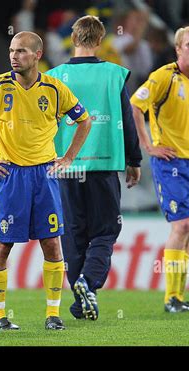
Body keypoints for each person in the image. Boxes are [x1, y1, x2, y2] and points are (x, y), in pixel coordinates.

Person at [0, 31, 91, 331]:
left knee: (52, 244)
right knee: (2, 246)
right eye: (12, 50)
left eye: (22, 51)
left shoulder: (55, 89)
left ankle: (53, 315)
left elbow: (85, 119)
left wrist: (68, 158)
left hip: (44, 174)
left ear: (38, 55)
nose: (14, 56)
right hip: (10, 175)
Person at [46, 15, 141, 320]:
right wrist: (134, 161)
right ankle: (88, 283)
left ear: (72, 39)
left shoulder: (55, 76)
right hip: (103, 165)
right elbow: (127, 121)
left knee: (73, 234)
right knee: (105, 231)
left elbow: (44, 124)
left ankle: (80, 301)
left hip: (66, 167)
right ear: (100, 41)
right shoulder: (114, 75)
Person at [130, 26, 189, 313]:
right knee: (182, 225)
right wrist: (148, 146)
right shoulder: (163, 77)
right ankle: (170, 298)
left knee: (188, 231)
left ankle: (178, 296)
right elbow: (135, 107)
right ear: (178, 49)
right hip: (170, 163)